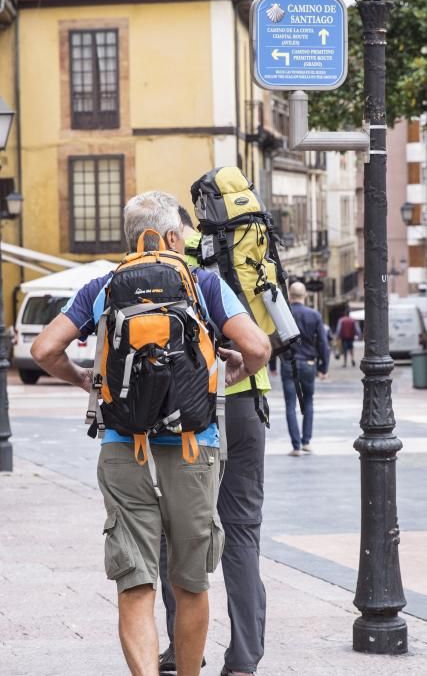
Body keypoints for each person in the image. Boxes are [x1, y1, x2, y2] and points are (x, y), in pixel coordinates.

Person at [31, 191, 271, 676]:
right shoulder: (203, 282)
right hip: (192, 447)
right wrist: (230, 373)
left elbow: (43, 349)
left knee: (135, 581)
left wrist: (85, 380)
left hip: (124, 448)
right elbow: (259, 346)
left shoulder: (103, 286)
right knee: (191, 583)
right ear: (171, 236)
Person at [159, 205, 271, 676]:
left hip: (191, 411)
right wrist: (243, 370)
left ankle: (182, 649)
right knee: (242, 531)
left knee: (177, 533)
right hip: (247, 404)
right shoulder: (241, 250)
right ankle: (244, 658)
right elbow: (260, 346)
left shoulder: (168, 262)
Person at [279, 282, 329, 457]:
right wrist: (324, 366)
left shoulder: (284, 314)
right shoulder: (314, 315)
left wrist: (270, 364)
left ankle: (296, 446)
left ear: (290, 296)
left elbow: (274, 339)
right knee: (308, 402)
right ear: (305, 295)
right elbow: (323, 342)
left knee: (290, 405)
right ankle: (306, 441)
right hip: (308, 364)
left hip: (288, 363)